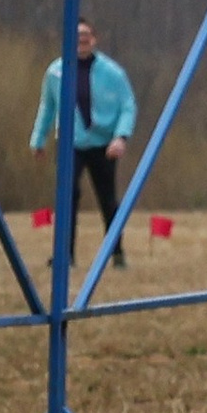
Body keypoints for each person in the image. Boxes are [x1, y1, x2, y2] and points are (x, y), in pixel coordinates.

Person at [30, 19, 136, 272]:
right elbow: (48, 106)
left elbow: (128, 106)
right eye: (76, 35)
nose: (82, 40)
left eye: (86, 35)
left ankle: (117, 252)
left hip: (103, 144)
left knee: (107, 199)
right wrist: (38, 138)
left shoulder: (113, 72)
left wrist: (120, 137)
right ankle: (65, 255)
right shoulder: (56, 72)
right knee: (67, 196)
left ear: (95, 38)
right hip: (70, 143)